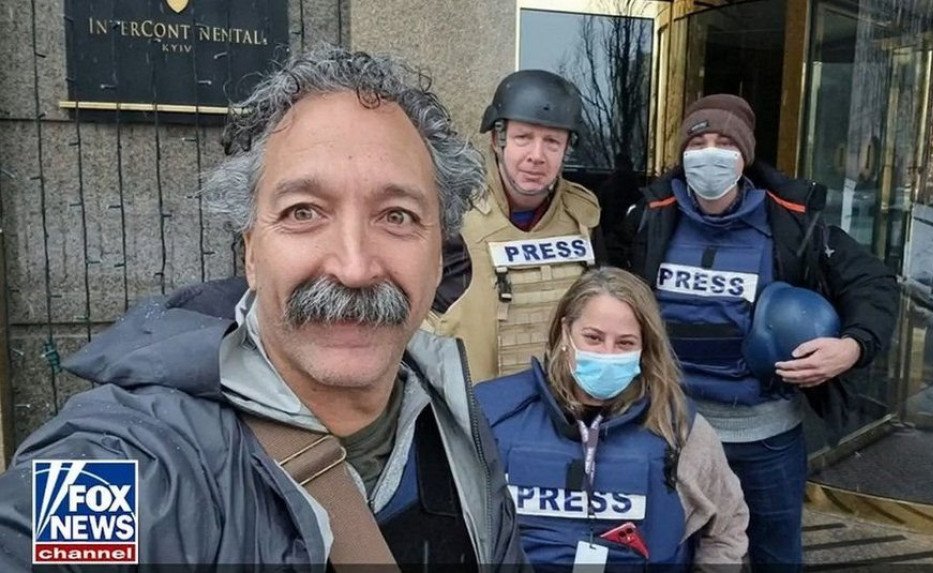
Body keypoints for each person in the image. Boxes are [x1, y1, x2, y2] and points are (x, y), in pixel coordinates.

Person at [0, 47, 525, 570]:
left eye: (397, 215)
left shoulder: (458, 423)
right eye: (304, 212)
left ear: (439, 255)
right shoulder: (133, 463)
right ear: (251, 251)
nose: (354, 266)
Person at [624, 94, 899, 568]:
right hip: (674, 433)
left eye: (725, 143)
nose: (710, 153)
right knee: (676, 556)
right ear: (683, 153)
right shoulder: (650, 219)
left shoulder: (792, 223)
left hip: (767, 442)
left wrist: (851, 347)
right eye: (699, 141)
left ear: (745, 156)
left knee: (775, 557)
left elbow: (873, 284)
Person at [475, 267, 749, 570]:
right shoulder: (494, 413)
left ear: (645, 347)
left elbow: (726, 524)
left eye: (625, 343)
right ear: (566, 331)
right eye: (593, 337)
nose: (607, 353)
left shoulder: (678, 426)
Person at [426, 69, 602, 382]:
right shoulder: (453, 213)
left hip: (560, 406)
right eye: (524, 138)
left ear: (566, 150)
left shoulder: (584, 217)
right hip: (473, 410)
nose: (537, 156)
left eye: (552, 142)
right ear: (498, 140)